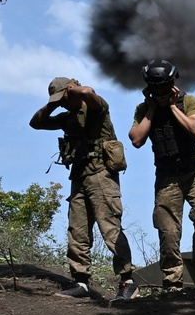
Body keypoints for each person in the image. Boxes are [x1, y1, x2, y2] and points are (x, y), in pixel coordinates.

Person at [29, 77, 138, 302]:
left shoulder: (96, 109)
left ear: (72, 91)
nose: (62, 103)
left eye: (63, 98)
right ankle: (81, 282)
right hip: (79, 177)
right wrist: (53, 103)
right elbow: (36, 123)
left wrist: (75, 90)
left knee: (110, 228)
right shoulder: (66, 118)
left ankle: (128, 282)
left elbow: (89, 92)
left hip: (102, 176)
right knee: (77, 231)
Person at [128, 59, 195, 291]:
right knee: (167, 228)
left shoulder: (187, 101)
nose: (160, 92)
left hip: (194, 171)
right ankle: (172, 283)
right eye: (155, 88)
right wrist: (154, 108)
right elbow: (136, 139)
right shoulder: (143, 110)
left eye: (164, 87)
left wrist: (172, 107)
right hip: (167, 176)